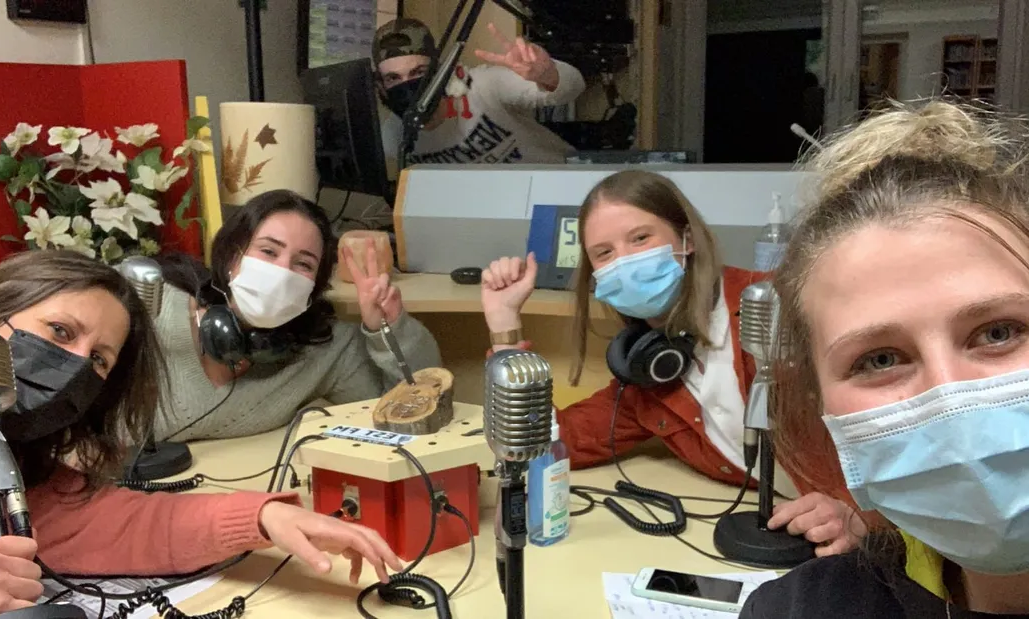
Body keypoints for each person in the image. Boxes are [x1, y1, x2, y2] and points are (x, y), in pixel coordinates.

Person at [0, 250, 404, 619]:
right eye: (59, 331)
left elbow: (106, 522)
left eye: (98, 359)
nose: (74, 362)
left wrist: (264, 519)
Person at [739, 99, 1029, 617]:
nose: (949, 397)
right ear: (822, 407)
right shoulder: (798, 608)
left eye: (999, 332)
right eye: (878, 359)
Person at [480, 170, 862, 556]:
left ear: (687, 240)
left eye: (641, 238)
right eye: (604, 253)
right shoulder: (648, 370)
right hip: (796, 540)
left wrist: (865, 516)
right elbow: (549, 441)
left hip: (879, 539)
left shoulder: (778, 306)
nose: (625, 261)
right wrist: (504, 322)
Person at [149, 189, 440, 442]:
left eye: (303, 264)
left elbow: (410, 413)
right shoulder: (154, 308)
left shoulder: (324, 349)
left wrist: (387, 328)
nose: (283, 272)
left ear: (314, 288)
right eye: (268, 251)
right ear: (232, 257)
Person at [373, 18, 586, 166]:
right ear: (381, 87)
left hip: (561, 191)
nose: (407, 85)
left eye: (418, 72)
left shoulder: (484, 85)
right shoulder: (393, 139)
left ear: (440, 71)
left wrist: (547, 74)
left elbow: (573, 87)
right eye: (393, 78)